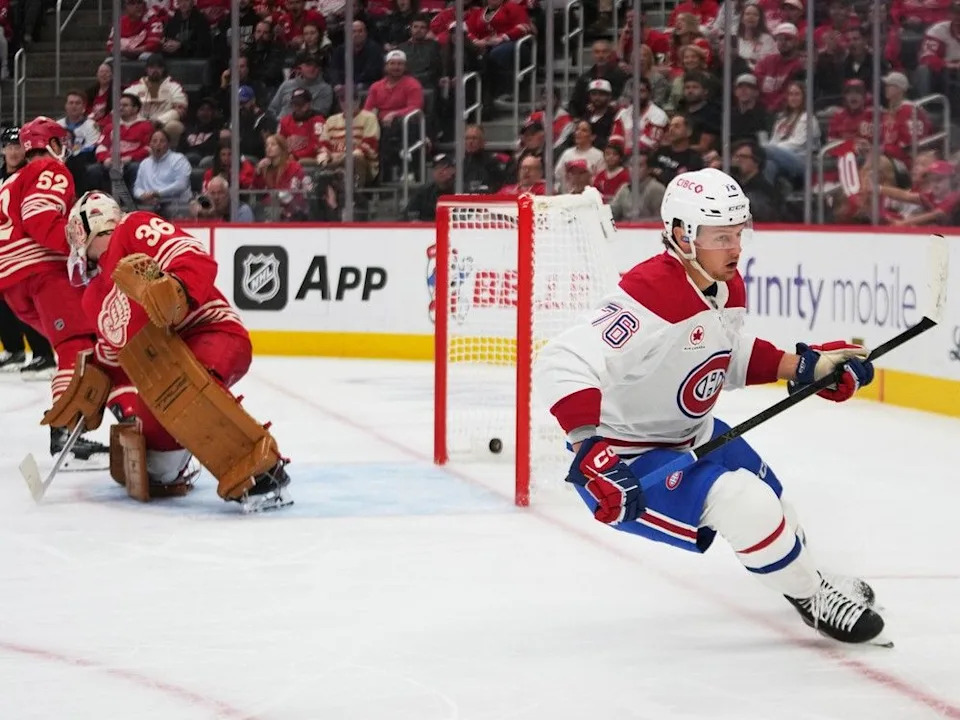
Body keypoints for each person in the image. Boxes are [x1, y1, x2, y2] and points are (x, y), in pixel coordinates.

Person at [533, 167, 886, 646]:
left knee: (775, 500)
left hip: (691, 433)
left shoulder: (725, 284)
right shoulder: (651, 293)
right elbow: (565, 358)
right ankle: (814, 599)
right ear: (680, 235)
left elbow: (724, 352)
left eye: (738, 234)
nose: (736, 248)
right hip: (629, 461)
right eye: (721, 236)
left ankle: (806, 583)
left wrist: (804, 367)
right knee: (747, 503)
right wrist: (589, 447)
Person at [55, 191, 291, 511]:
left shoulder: (132, 228)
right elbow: (118, 357)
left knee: (182, 390)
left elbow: (193, 256)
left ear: (92, 224)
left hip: (210, 331)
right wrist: (93, 384)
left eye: (75, 232)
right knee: (156, 468)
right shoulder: (92, 297)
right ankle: (181, 456)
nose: (73, 244)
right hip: (165, 366)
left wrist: (174, 288)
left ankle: (263, 473)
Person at [0, 117, 107, 464]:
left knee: (83, 345)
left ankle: (85, 419)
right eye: (61, 142)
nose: (65, 149)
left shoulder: (11, 180)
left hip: (13, 282)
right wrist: (84, 249)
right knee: (77, 345)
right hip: (41, 273)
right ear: (51, 144)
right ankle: (65, 429)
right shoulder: (48, 169)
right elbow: (41, 217)